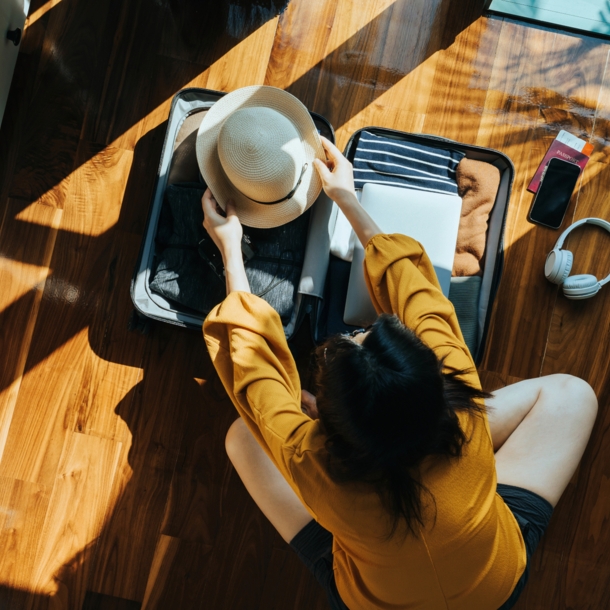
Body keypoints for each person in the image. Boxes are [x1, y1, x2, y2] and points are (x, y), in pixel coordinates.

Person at [201, 136, 598, 610]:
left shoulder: (312, 463)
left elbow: (254, 373)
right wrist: (347, 198)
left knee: (243, 438)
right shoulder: (459, 383)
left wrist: (230, 250)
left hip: (374, 598)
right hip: (493, 588)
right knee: (575, 395)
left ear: (329, 435)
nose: (360, 331)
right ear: (438, 386)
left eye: (356, 337)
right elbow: (417, 291)